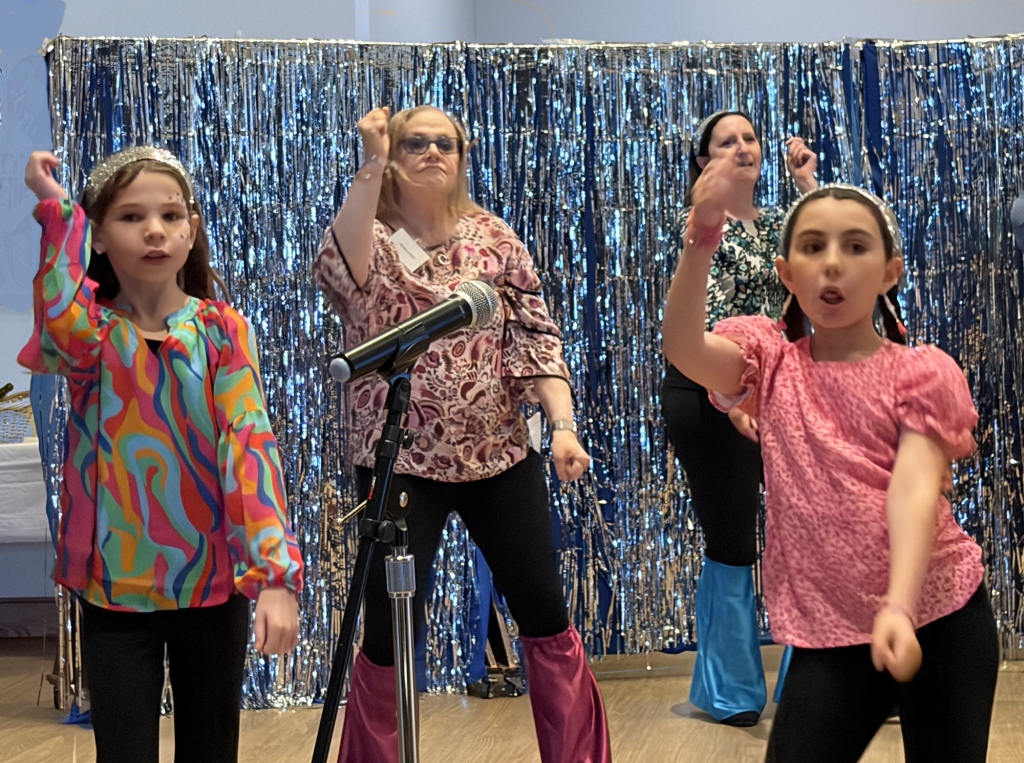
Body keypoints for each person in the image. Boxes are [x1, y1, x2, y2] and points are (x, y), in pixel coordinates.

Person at [663, 177, 999, 762]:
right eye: (813, 247)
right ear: (787, 274)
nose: (833, 263)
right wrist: (701, 242)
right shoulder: (771, 365)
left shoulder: (921, 373)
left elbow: (915, 488)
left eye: (856, 246)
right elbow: (685, 349)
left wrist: (899, 606)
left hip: (939, 616)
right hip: (831, 633)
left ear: (890, 272)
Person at [312, 105, 611, 763]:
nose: (432, 152)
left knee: (545, 610)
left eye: (445, 143)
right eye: (414, 142)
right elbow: (338, 275)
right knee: (388, 631)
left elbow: (536, 338)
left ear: (462, 156)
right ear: (393, 156)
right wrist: (369, 161)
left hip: (498, 455)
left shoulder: (494, 236)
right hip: (399, 461)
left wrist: (562, 427)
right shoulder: (372, 233)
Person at [20, 148, 304, 763]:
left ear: (191, 230)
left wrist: (275, 577)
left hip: (212, 587)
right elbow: (58, 320)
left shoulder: (222, 331)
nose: (155, 230)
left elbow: (250, 445)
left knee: (211, 749)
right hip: (115, 592)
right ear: (99, 235)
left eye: (171, 215)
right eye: (131, 217)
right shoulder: (91, 337)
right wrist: (59, 212)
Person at [661, 110, 818, 725]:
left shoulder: (781, 222)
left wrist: (807, 183)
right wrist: (732, 400)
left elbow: (827, 254)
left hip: (777, 393)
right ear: (703, 162)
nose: (742, 148)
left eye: (750, 138)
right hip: (708, 389)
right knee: (731, 537)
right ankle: (730, 691)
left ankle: (819, 677)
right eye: (726, 142)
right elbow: (701, 321)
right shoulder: (698, 225)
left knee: (806, 530)